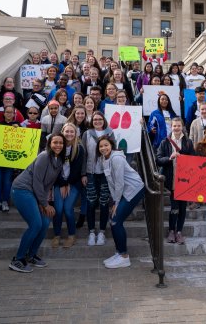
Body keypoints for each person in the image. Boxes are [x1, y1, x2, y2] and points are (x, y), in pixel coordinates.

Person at [9, 133, 66, 272]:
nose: (58, 145)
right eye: (55, 142)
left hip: (35, 193)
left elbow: (48, 185)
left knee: (45, 223)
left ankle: (31, 255)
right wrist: (45, 204)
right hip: (22, 190)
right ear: (49, 144)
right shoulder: (44, 156)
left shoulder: (59, 160)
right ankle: (18, 259)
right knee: (35, 224)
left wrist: (43, 202)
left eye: (60, 143)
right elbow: (37, 181)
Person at [97, 135, 145, 269]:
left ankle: (124, 256)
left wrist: (117, 203)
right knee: (113, 220)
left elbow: (119, 182)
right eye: (101, 146)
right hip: (123, 191)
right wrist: (115, 202)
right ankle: (119, 252)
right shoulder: (103, 159)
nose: (103, 148)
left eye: (106, 145)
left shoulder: (116, 158)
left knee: (116, 221)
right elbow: (111, 183)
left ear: (111, 145)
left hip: (134, 189)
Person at [156, 117, 195, 244]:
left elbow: (194, 160)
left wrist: (184, 158)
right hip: (172, 179)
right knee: (174, 207)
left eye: (179, 125)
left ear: (182, 126)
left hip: (185, 180)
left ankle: (179, 231)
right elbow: (158, 159)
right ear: (171, 127)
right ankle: (171, 230)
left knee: (183, 208)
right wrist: (170, 158)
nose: (176, 128)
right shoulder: (165, 142)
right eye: (174, 126)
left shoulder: (188, 142)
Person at [81, 112, 115, 246]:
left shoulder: (110, 133)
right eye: (95, 119)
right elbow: (83, 154)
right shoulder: (87, 134)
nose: (97, 121)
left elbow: (114, 152)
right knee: (90, 202)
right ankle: (91, 232)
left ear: (104, 120)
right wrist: (83, 173)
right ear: (91, 121)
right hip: (90, 172)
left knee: (104, 202)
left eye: (100, 119)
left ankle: (101, 232)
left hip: (105, 173)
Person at [52, 124, 85, 248]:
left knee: (67, 209)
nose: (69, 134)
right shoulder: (58, 146)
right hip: (58, 182)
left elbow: (76, 171)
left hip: (73, 183)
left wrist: (67, 184)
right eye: (67, 131)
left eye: (72, 132)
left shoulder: (79, 149)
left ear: (76, 134)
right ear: (62, 132)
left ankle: (72, 235)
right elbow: (54, 169)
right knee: (58, 209)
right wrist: (62, 183)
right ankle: (57, 235)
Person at [0, 106, 21, 213]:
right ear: (3, 114)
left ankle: (5, 201)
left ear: (14, 114)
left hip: (10, 159)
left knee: (7, 180)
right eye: (7, 112)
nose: (9, 114)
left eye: (11, 112)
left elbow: (22, 141)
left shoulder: (18, 125)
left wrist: (18, 129)